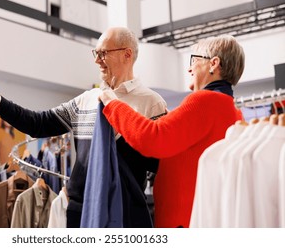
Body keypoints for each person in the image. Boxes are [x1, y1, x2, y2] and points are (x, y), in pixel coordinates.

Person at [0, 26, 167, 227]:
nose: (97, 60)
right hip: (79, 212)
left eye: (103, 53)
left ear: (127, 54)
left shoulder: (152, 103)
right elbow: (38, 124)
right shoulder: (86, 101)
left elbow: (158, 165)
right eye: (96, 53)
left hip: (125, 213)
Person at [99, 34, 245, 228]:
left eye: (194, 60)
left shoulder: (204, 101)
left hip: (183, 222)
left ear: (213, 64)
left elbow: (153, 138)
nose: (189, 68)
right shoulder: (234, 112)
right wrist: (170, 120)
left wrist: (113, 104)